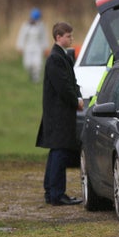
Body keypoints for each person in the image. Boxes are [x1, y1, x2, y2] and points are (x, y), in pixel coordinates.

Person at [36, 21, 84, 206]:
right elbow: (64, 87)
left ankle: (51, 191)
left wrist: (78, 96)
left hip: (60, 114)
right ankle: (57, 194)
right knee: (60, 152)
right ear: (58, 37)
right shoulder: (56, 58)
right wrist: (76, 101)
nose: (71, 39)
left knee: (57, 151)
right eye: (68, 36)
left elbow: (72, 82)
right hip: (58, 115)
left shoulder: (62, 57)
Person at [15, 7, 50, 82]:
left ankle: (36, 79)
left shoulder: (41, 25)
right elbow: (22, 36)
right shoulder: (26, 25)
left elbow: (44, 37)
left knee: (37, 64)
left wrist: (45, 48)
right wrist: (20, 46)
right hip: (28, 48)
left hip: (38, 47)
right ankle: (31, 75)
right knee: (28, 64)